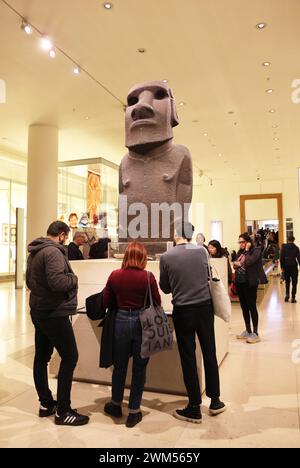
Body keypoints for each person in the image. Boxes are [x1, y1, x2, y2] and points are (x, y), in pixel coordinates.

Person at [159, 222, 226, 424]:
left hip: (183, 309)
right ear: (191, 235)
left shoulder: (167, 257)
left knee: (188, 356)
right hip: (205, 307)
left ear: (175, 234)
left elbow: (165, 287)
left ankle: (194, 406)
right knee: (209, 351)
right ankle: (215, 401)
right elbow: (207, 276)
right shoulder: (202, 252)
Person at [26, 221, 89, 426]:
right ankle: (63, 410)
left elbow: (30, 282)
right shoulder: (52, 252)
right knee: (70, 357)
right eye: (66, 237)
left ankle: (46, 404)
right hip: (54, 313)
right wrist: (74, 279)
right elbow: (58, 282)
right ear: (62, 235)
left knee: (42, 358)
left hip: (40, 310)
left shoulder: (35, 251)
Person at [102, 242, 161, 428]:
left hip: (120, 320)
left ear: (126, 256)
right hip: (142, 323)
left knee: (119, 367)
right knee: (139, 368)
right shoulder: (148, 276)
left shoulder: (115, 275)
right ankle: (134, 412)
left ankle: (116, 405)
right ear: (143, 257)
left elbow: (105, 300)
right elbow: (157, 302)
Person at [233, 232, 267, 344]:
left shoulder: (256, 250)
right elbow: (235, 265)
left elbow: (249, 261)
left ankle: (256, 333)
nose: (241, 244)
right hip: (240, 282)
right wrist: (236, 264)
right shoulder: (239, 252)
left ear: (248, 242)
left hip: (250, 283)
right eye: (240, 242)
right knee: (244, 307)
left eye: (243, 242)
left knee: (252, 306)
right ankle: (248, 330)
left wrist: (247, 251)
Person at [280, 235, 300, 303]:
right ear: (293, 240)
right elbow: (299, 258)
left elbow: (281, 258)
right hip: (294, 267)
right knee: (294, 283)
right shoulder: (296, 248)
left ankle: (287, 295)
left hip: (286, 267)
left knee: (287, 282)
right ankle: (293, 297)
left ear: (288, 239)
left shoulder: (284, 247)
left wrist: (282, 267)